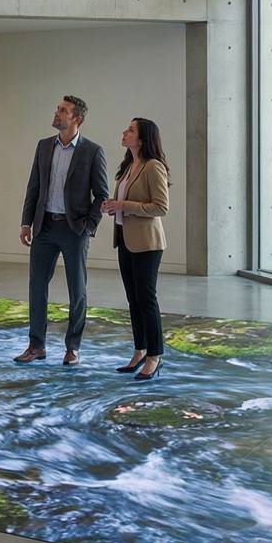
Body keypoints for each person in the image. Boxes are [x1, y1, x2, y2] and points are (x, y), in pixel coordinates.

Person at [14, 95, 108, 367]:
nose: (56, 113)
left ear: (76, 119)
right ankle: (36, 346)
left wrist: (88, 228)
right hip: (44, 228)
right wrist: (26, 223)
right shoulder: (44, 146)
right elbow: (34, 187)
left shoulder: (92, 151)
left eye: (63, 110)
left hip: (74, 230)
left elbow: (101, 195)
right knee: (36, 288)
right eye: (57, 108)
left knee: (77, 291)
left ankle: (73, 348)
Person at [100, 117, 170, 382]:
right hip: (125, 241)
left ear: (142, 139)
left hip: (147, 244)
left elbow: (160, 207)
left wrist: (124, 205)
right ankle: (140, 350)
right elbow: (123, 203)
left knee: (146, 299)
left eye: (130, 130)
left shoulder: (153, 167)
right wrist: (110, 206)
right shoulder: (129, 165)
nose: (124, 132)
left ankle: (155, 355)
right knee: (133, 300)